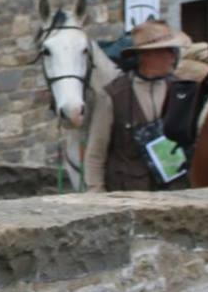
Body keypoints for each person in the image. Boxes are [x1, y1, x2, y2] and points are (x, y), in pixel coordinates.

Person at [84, 19, 196, 192]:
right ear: (146, 56)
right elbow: (95, 153)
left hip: (173, 194)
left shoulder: (180, 91)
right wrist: (96, 194)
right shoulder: (113, 95)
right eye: (167, 51)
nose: (173, 57)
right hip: (126, 197)